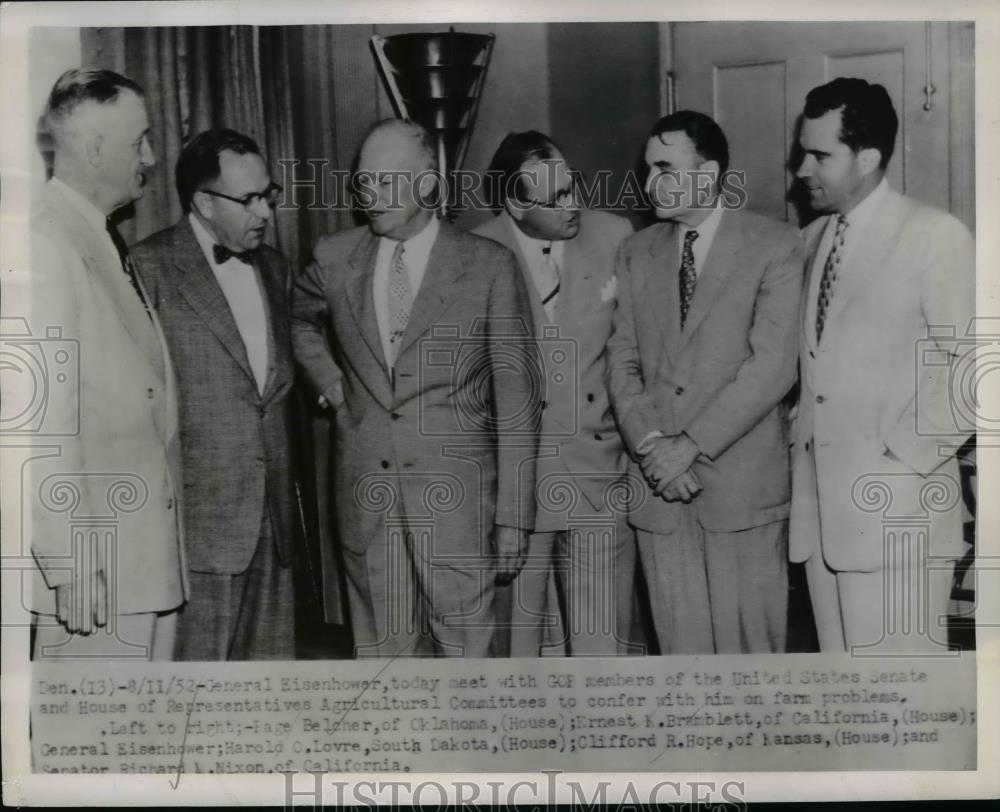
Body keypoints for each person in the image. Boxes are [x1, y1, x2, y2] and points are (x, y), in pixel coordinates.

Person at [292, 119, 539, 657]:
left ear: (429, 182)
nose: (369, 197)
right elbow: (300, 319)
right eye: (362, 183)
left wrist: (514, 517)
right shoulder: (336, 258)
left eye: (386, 182)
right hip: (367, 507)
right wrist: (331, 384)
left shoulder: (489, 267)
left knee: (466, 664)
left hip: (458, 510)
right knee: (384, 666)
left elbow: (518, 399)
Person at [606, 110, 804, 654]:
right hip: (659, 493)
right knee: (681, 661)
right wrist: (652, 448)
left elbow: (772, 368)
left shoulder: (776, 245)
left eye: (665, 168)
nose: (651, 184)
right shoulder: (635, 252)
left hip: (740, 491)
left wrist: (687, 448)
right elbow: (621, 359)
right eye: (648, 170)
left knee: (750, 666)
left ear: (709, 171)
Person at [790, 78, 975, 653]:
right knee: (849, 710)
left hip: (899, 520)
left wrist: (902, 458)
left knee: (905, 711)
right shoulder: (813, 238)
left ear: (867, 158)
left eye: (820, 155)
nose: (802, 169)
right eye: (803, 152)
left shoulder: (933, 235)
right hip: (821, 526)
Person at [21, 68, 185, 659]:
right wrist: (69, 565)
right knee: (92, 744)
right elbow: (39, 426)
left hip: (138, 565)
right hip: (95, 579)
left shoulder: (95, 235)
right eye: (139, 138)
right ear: (95, 148)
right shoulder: (45, 243)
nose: (150, 153)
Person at [131, 129, 296, 660]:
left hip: (274, 524)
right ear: (203, 202)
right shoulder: (147, 268)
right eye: (247, 199)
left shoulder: (274, 268)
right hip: (198, 532)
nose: (265, 212)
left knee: (268, 697)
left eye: (267, 195)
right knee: (196, 701)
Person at [473, 131, 635, 656]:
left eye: (575, 187)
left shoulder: (614, 236)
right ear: (515, 204)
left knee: (600, 647)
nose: (576, 205)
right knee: (519, 649)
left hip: (597, 472)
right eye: (557, 197)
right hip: (518, 489)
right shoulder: (475, 253)